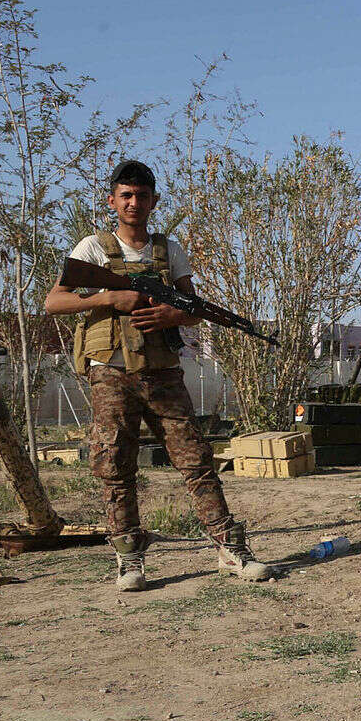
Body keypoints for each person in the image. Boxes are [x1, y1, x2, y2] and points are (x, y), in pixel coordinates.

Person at [44, 159, 271, 591]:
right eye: (126, 195)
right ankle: (129, 558)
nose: (134, 203)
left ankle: (230, 549)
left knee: (196, 460)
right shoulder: (93, 248)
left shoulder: (170, 251)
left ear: (154, 202)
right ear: (112, 201)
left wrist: (172, 315)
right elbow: (55, 302)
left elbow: (194, 310)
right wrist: (109, 298)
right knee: (115, 464)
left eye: (142, 196)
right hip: (110, 371)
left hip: (163, 372)